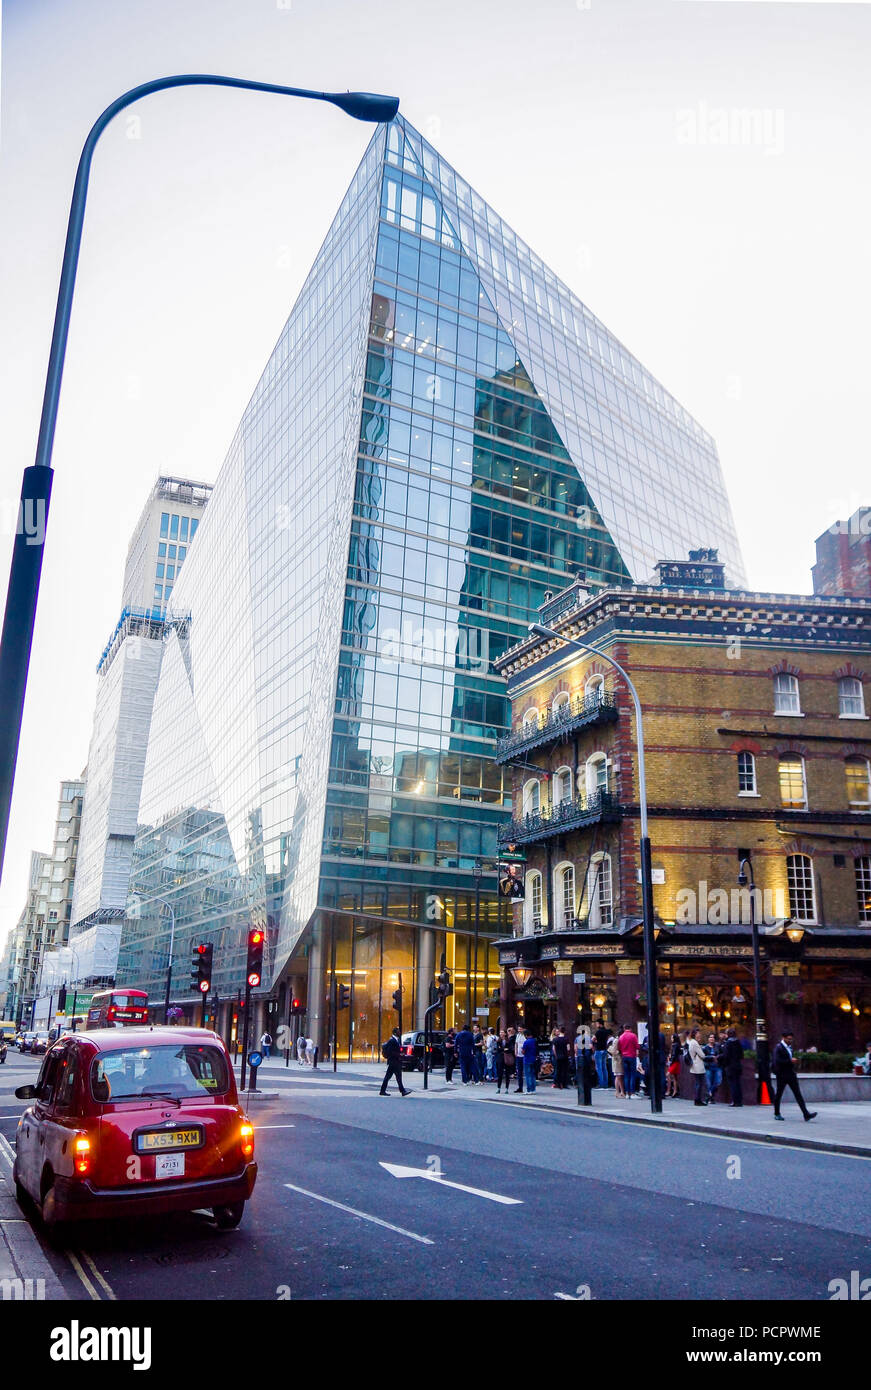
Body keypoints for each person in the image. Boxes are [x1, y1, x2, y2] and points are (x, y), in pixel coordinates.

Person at [773, 1032, 817, 1121]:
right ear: (783, 1038)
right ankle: (777, 1113)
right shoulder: (779, 1048)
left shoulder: (789, 1048)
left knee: (798, 1094)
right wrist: (790, 1061)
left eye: (791, 1039)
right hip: (782, 1075)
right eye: (788, 1039)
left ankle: (806, 1114)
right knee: (779, 1094)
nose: (790, 1041)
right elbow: (777, 1061)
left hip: (791, 1074)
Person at [380, 1026, 411, 1096]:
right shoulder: (392, 1041)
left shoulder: (396, 1040)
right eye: (398, 1031)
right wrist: (399, 1054)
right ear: (395, 1033)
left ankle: (383, 1091)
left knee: (391, 1077)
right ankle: (402, 1091)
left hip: (394, 1062)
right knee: (396, 1077)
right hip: (393, 1062)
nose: (400, 1032)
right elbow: (390, 1052)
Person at [617, 1023, 639, 1098]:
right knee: (633, 1074)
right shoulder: (633, 1036)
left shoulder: (621, 1037)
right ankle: (632, 1093)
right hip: (632, 1056)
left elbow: (619, 1048)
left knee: (626, 1075)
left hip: (624, 1056)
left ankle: (626, 1093)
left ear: (624, 1028)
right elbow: (637, 1046)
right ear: (630, 1028)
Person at [723, 1027, 744, 1106]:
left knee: (732, 1084)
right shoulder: (738, 1042)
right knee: (738, 1083)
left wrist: (724, 1063)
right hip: (738, 1065)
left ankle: (735, 1101)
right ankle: (739, 1101)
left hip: (730, 1067)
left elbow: (726, 1056)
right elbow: (741, 1055)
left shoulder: (728, 1043)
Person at [687, 1028, 708, 1105]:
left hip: (695, 1065)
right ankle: (698, 1100)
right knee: (699, 1083)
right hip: (698, 1065)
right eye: (698, 1034)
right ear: (695, 1035)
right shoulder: (695, 1043)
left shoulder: (692, 1042)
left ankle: (697, 1099)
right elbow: (702, 1055)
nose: (699, 1035)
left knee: (698, 1083)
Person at [704, 1032, 722, 1103]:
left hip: (717, 1066)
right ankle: (712, 1098)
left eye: (713, 1037)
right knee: (709, 1083)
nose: (712, 1039)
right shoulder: (705, 1047)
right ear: (708, 1039)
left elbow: (722, 1053)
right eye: (710, 1037)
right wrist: (711, 1057)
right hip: (709, 1067)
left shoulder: (718, 1046)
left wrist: (718, 1057)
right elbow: (703, 1057)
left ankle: (709, 1094)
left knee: (718, 1081)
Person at [594, 1020, 611, 1089]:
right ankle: (605, 1084)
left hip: (598, 1050)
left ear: (599, 1024)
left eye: (596, 1023)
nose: (596, 1025)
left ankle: (601, 1084)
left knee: (599, 1068)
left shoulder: (598, 1031)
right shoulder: (606, 1031)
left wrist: (596, 1041)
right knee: (604, 1067)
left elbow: (593, 1039)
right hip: (604, 1050)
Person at [500, 1028, 517, 1093]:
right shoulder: (500, 1040)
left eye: (509, 1031)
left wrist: (505, 1049)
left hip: (509, 1056)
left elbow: (510, 1048)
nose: (508, 1032)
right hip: (503, 1057)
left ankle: (512, 1073)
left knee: (510, 1066)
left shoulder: (511, 1039)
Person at [666, 1032, 682, 1098]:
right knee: (675, 1077)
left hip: (674, 1062)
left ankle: (669, 1091)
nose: (671, 1039)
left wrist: (670, 1061)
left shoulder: (674, 1045)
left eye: (672, 1038)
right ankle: (674, 1091)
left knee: (668, 1074)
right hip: (677, 1062)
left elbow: (674, 1054)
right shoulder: (678, 1044)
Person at [609, 1031, 624, 1098]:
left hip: (616, 1059)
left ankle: (620, 1092)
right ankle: (618, 1092)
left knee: (618, 1076)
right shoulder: (616, 1040)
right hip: (617, 1060)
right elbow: (614, 1051)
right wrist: (619, 1052)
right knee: (618, 1076)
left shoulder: (616, 1040)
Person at [522, 1029, 537, 1093]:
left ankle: (529, 1090)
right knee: (532, 1075)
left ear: (526, 1035)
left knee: (528, 1075)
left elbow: (523, 1051)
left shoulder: (526, 1042)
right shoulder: (534, 1041)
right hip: (533, 1059)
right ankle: (533, 1089)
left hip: (527, 1059)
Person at [514, 1025, 526, 1092]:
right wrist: (515, 1051)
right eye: (518, 1029)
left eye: (520, 1029)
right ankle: (520, 1087)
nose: (519, 1030)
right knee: (519, 1073)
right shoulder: (518, 1035)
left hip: (524, 1056)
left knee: (525, 1072)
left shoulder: (525, 1035)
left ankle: (528, 1087)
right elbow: (516, 1044)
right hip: (518, 1056)